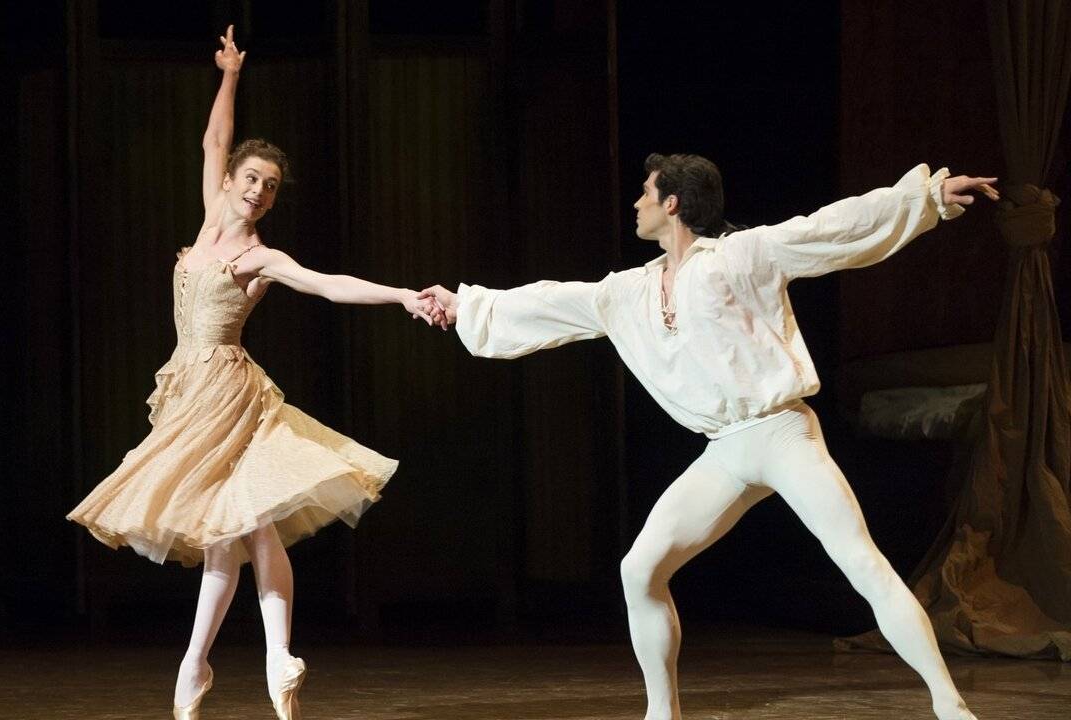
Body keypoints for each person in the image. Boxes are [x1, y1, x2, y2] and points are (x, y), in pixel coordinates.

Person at [419, 153, 998, 720]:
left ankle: (950, 706)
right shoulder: (629, 292)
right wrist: (465, 304)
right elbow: (550, 300)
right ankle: (662, 712)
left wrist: (925, 199)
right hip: (724, 450)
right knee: (639, 570)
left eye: (646, 193)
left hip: (781, 431)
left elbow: (829, 228)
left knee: (860, 562)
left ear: (672, 203)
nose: (636, 203)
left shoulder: (740, 255)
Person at [67, 26, 443, 720]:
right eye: (252, 179)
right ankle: (210, 665)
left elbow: (327, 284)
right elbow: (215, 139)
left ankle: (262, 657)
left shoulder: (259, 259)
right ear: (232, 181)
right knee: (232, 533)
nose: (259, 191)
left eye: (269, 187)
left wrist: (399, 296)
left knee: (248, 523)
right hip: (187, 392)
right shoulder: (210, 219)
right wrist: (231, 74)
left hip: (230, 395)